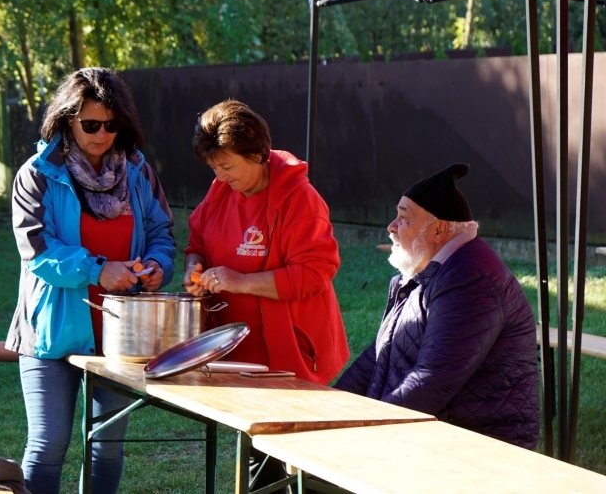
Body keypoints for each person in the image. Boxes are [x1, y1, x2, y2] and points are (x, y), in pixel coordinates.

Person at [5, 67, 176, 494]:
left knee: (107, 447)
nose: (102, 134)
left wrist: (157, 265)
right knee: (48, 446)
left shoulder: (138, 171)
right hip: (50, 331)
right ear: (67, 119)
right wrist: (100, 269)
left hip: (121, 334)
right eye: (91, 124)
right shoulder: (36, 174)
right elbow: (38, 252)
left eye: (112, 125)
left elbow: (162, 235)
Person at [183, 100, 350, 492]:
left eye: (227, 167)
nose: (220, 177)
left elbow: (315, 273)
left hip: (290, 351)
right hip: (240, 350)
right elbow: (198, 239)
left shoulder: (300, 200)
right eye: (213, 168)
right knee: (259, 449)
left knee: (287, 455)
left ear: (258, 155)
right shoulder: (221, 189)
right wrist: (194, 267)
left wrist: (239, 281)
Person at [335, 164, 540, 449]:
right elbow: (377, 357)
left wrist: (364, 432)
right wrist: (330, 407)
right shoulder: (431, 273)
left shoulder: (470, 279)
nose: (391, 227)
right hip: (433, 437)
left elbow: (432, 381)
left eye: (404, 218)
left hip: (475, 450)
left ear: (439, 230)